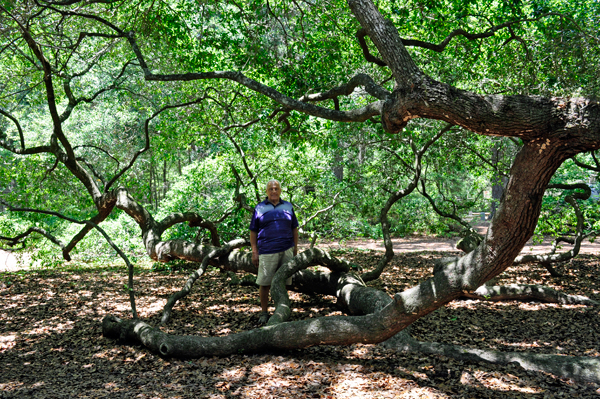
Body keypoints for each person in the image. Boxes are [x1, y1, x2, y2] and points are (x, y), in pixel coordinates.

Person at [249, 179, 299, 325]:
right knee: (264, 283)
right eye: (271, 189)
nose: (274, 191)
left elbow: (294, 228)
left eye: (276, 188)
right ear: (266, 191)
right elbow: (253, 231)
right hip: (267, 250)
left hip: (287, 249)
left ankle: (280, 310)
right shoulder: (259, 208)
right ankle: (264, 312)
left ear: (280, 190)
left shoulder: (288, 206)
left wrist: (295, 248)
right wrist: (254, 251)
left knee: (284, 281)